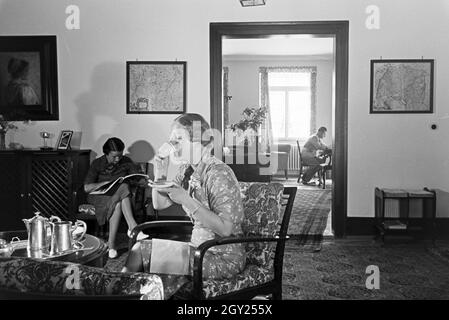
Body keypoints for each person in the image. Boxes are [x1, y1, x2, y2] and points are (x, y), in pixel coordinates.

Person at [123, 113, 246, 280]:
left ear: (198, 141)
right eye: (171, 139)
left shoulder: (219, 173)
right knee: (140, 251)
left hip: (221, 256)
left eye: (179, 138)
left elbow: (225, 230)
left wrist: (186, 200)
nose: (172, 144)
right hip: (197, 249)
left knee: (140, 254)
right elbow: (159, 205)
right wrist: (160, 173)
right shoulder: (186, 170)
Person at [84, 137, 148, 259]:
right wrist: (106, 183)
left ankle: (111, 245)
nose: (118, 159)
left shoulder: (126, 161)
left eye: (120, 155)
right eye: (114, 156)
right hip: (99, 196)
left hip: (118, 197)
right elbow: (87, 188)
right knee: (123, 186)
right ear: (106, 153)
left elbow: (137, 178)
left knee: (120, 196)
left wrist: (142, 181)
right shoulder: (97, 163)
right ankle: (133, 227)